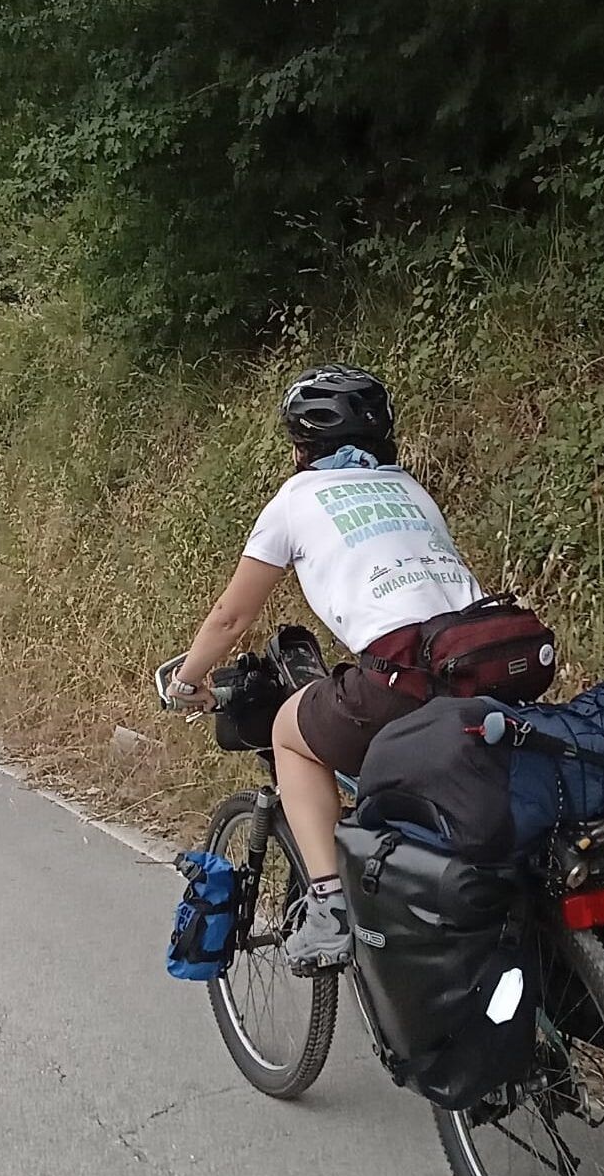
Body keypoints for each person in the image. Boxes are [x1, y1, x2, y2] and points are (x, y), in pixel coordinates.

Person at [167, 365, 482, 974]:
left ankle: (330, 903)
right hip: (480, 665)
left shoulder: (295, 499)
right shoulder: (411, 490)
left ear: (300, 448)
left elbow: (232, 618)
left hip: (400, 675)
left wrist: (185, 683)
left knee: (292, 731)